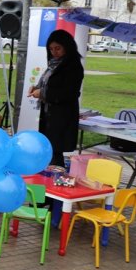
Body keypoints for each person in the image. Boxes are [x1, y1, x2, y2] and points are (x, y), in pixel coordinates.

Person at [28, 29, 84, 167]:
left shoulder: (73, 66)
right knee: (48, 149)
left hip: (62, 116)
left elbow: (68, 93)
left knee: (55, 152)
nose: (54, 52)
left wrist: (43, 93)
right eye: (51, 49)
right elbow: (49, 84)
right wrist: (37, 88)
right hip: (49, 115)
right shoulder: (53, 64)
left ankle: (55, 181)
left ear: (67, 46)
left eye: (58, 48)